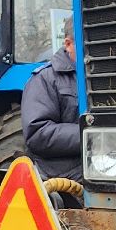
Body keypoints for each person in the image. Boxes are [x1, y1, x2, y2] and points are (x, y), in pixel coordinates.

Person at [23, 32, 82, 181]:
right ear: (68, 44)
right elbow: (37, 133)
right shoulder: (45, 79)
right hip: (62, 176)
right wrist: (93, 136)